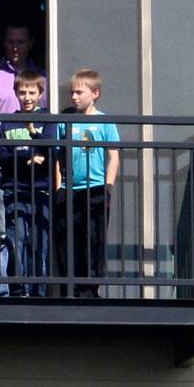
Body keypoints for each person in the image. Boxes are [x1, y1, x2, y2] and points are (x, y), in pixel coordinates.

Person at [0, 25, 48, 293]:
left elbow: (50, 139)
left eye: (20, 42)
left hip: (38, 183)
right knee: (9, 237)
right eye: (10, 41)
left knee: (37, 239)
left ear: (30, 43)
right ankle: (12, 288)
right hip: (8, 177)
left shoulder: (43, 78)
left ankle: (39, 289)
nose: (15, 47)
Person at [0, 70, 59, 296]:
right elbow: (2, 156)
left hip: (41, 190)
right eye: (22, 92)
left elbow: (52, 150)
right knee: (16, 240)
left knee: (38, 244)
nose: (27, 97)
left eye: (32, 92)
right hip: (14, 190)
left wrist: (34, 135)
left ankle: (38, 291)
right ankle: (18, 289)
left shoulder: (48, 120)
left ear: (40, 94)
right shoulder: (7, 123)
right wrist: (28, 157)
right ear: (15, 94)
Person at [58, 69, 119, 297]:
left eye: (79, 92)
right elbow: (58, 157)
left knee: (93, 238)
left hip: (95, 188)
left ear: (95, 93)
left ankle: (90, 289)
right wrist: (58, 187)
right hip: (69, 189)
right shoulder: (66, 122)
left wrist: (108, 185)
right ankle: (70, 288)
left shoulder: (105, 123)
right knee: (68, 238)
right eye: (72, 93)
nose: (74, 97)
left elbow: (114, 156)